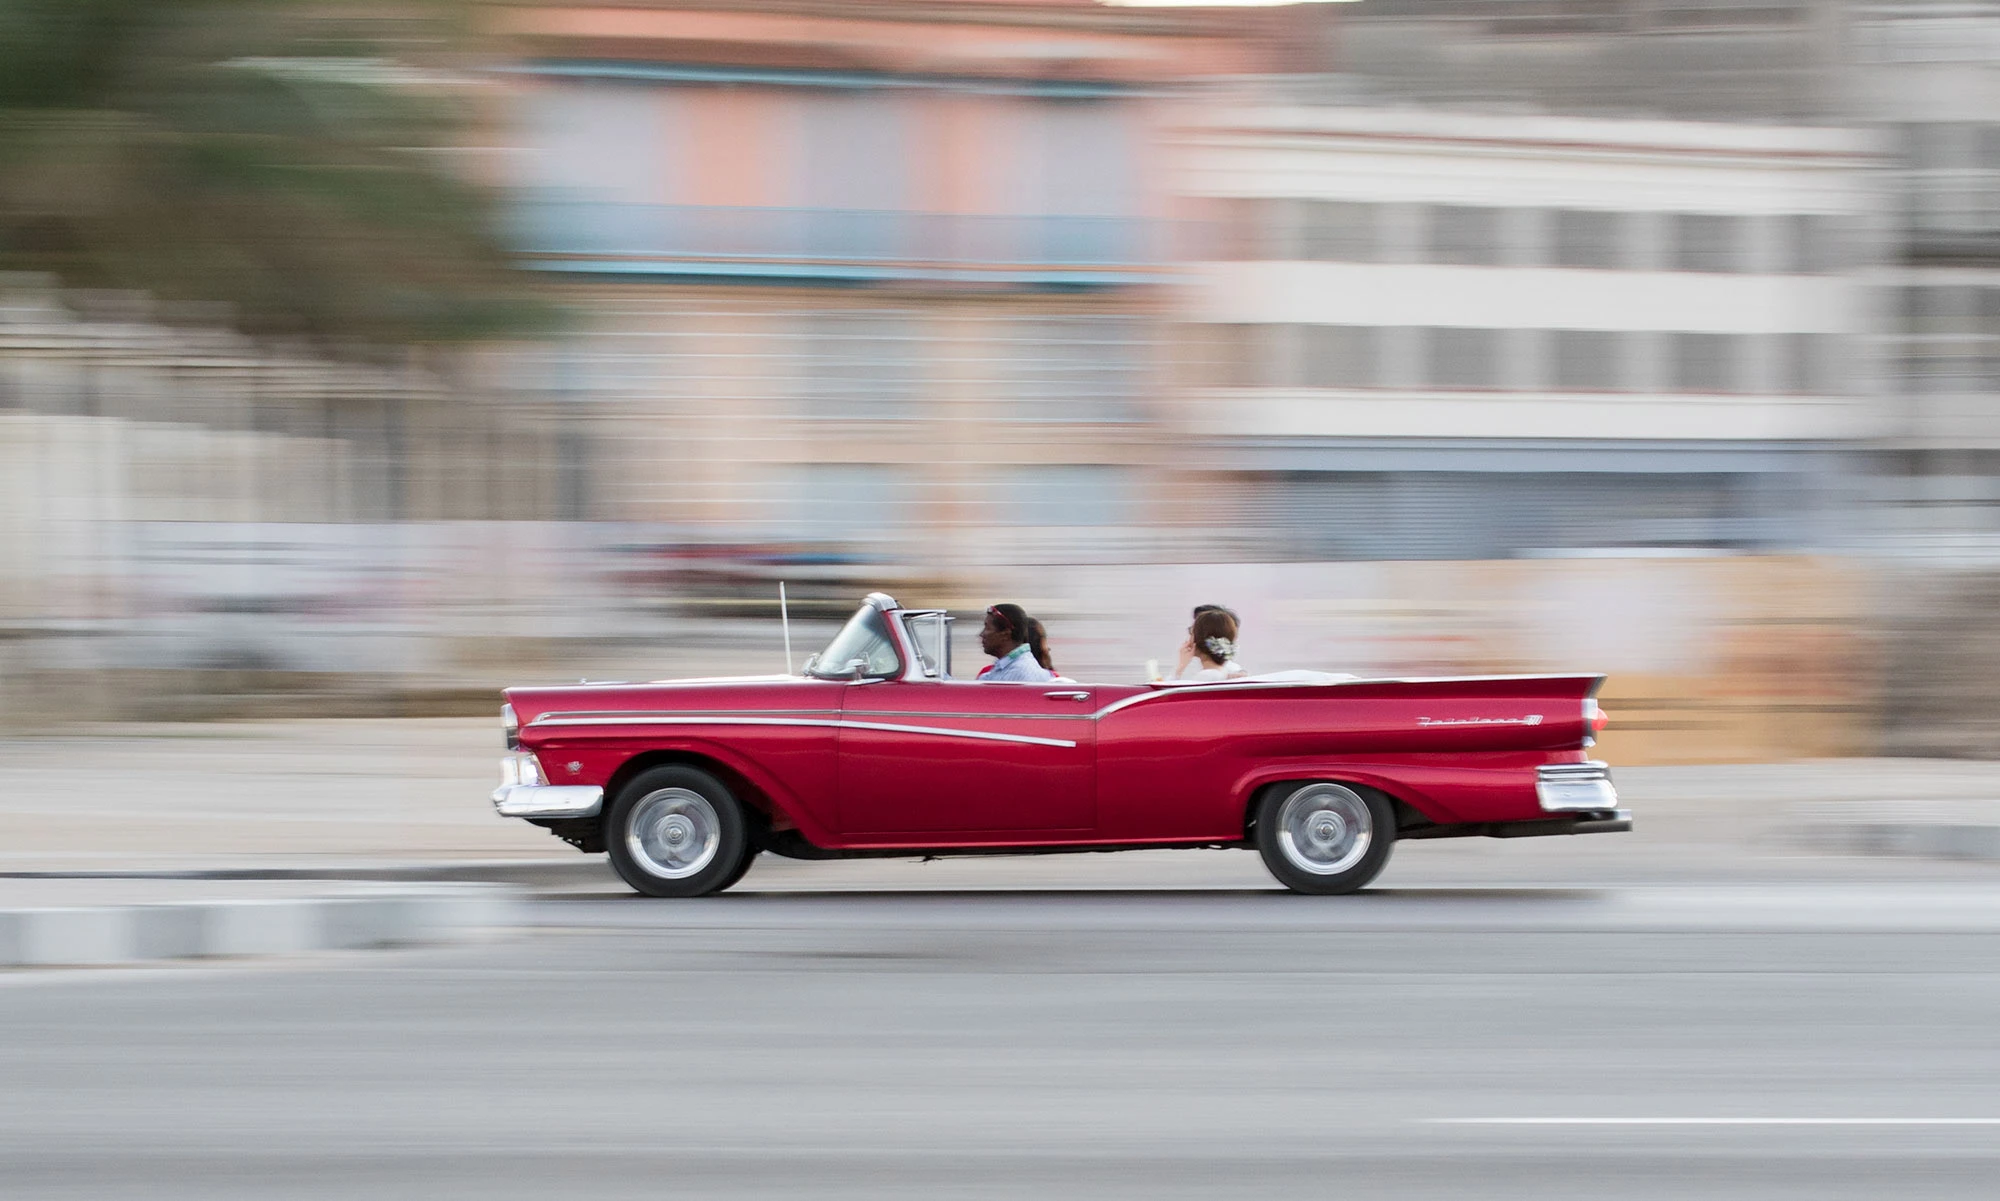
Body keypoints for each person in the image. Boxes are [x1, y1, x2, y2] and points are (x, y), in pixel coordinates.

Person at [978, 603, 1054, 683]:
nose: (982, 634)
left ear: (1006, 634)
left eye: (987, 628)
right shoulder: (1005, 668)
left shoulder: (1019, 674)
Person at [1176, 606, 1246, 681]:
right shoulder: (1222, 672)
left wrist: (1180, 668)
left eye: (1192, 632)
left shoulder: (1207, 675)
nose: (1188, 639)